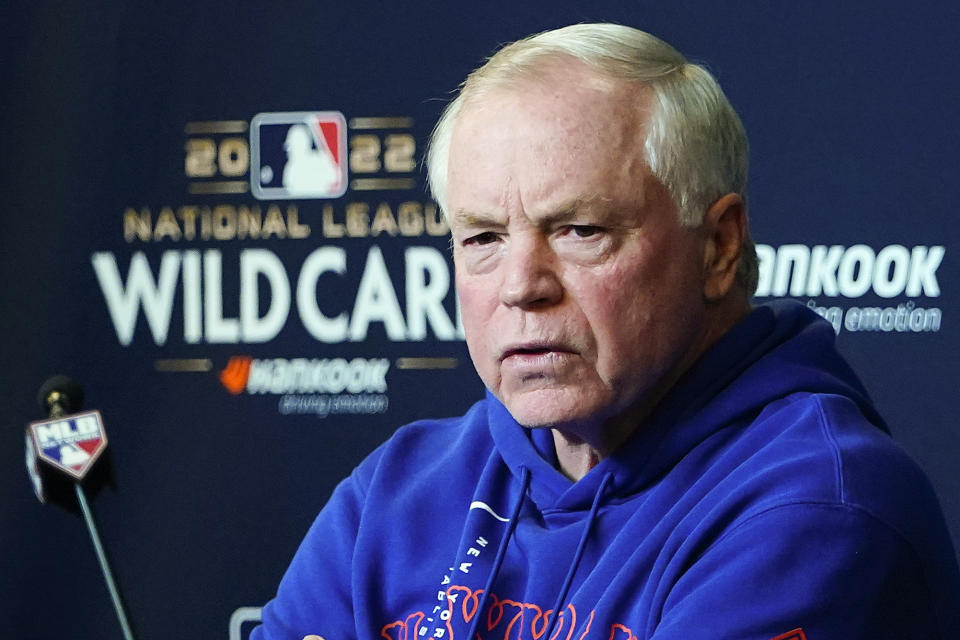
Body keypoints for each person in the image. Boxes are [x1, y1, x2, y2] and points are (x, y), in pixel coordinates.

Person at [253, 23, 960, 640]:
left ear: (717, 246)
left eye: (580, 230)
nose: (521, 285)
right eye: (482, 238)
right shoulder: (396, 493)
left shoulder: (818, 510)